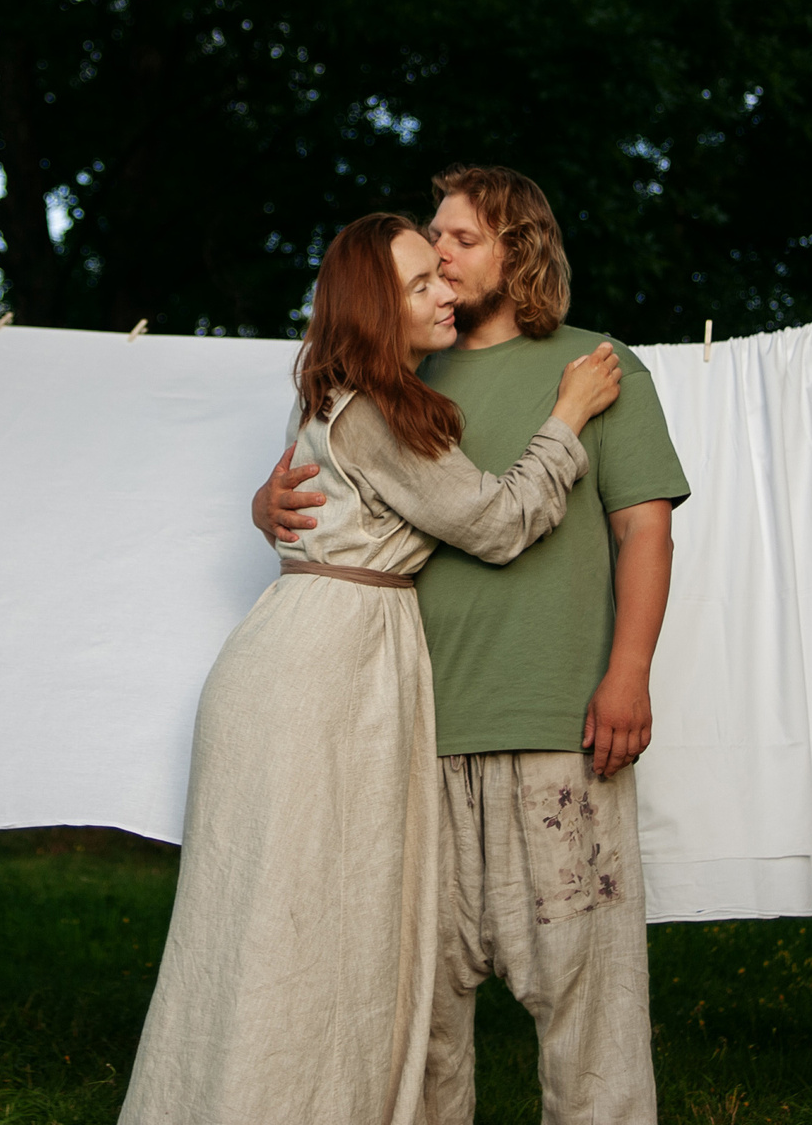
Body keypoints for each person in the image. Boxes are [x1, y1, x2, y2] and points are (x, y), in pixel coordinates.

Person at [120, 211, 628, 1125]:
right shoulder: (383, 409)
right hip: (325, 671)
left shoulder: (338, 395)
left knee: (298, 918)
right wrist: (567, 415)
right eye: (419, 285)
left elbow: (325, 490)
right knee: (303, 921)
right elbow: (501, 525)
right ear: (371, 306)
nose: (443, 293)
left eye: (443, 274)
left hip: (317, 651)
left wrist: (260, 504)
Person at [256, 165, 691, 1125]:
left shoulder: (597, 365)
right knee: (423, 1010)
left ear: (518, 249)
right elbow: (327, 484)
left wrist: (628, 675)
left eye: (458, 239)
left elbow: (643, 528)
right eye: (431, 242)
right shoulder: (404, 367)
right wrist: (262, 504)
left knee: (586, 1000)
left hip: (554, 720)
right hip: (409, 735)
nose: (438, 256)